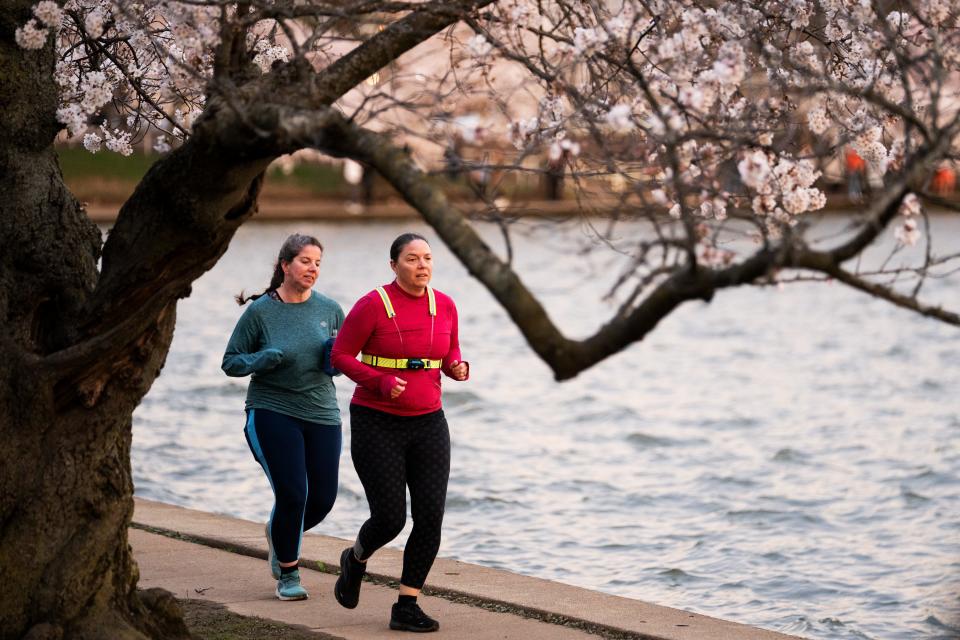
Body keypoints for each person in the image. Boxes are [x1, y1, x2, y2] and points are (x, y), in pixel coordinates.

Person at [331, 232, 469, 633]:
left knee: (430, 517)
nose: (422, 265)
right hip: (377, 420)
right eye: (412, 258)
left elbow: (450, 351)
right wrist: (379, 381)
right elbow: (340, 355)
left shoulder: (444, 305)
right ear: (394, 265)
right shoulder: (373, 304)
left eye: (427, 257)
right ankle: (355, 559)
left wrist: (457, 367)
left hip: (429, 422)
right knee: (390, 518)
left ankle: (406, 604)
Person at [221, 233, 344, 602]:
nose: (313, 269)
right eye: (306, 261)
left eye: (318, 263)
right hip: (272, 410)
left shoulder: (330, 310)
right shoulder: (260, 312)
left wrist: (333, 361)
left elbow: (347, 359)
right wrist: (260, 359)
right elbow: (231, 361)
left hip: (322, 411)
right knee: (293, 494)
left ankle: (279, 534)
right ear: (285, 265)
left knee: (321, 499)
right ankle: (289, 573)